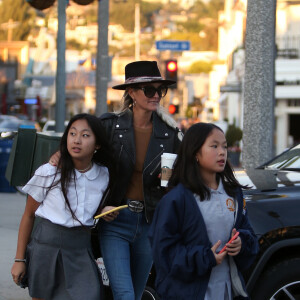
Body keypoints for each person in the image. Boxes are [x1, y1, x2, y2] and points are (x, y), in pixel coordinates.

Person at [97, 60, 183, 300]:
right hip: (115, 222)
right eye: (149, 90)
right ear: (132, 93)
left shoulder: (170, 134)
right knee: (124, 295)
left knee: (134, 295)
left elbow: (178, 179)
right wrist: (100, 206)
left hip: (150, 224)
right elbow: (84, 161)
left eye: (160, 90)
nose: (156, 95)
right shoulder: (109, 127)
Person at [148, 122, 259, 300]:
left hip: (227, 291)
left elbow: (250, 236)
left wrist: (242, 243)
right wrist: (205, 258)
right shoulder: (176, 199)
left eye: (224, 146)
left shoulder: (234, 193)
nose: (222, 152)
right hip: (188, 293)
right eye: (214, 146)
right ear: (195, 153)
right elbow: (164, 254)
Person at [11, 113, 116, 300]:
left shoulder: (103, 175)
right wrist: (19, 260)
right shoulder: (49, 172)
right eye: (72, 134)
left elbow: (88, 207)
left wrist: (103, 212)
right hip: (46, 249)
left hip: (80, 250)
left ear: (97, 144)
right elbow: (28, 215)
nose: (77, 140)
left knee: (90, 295)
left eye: (85, 135)